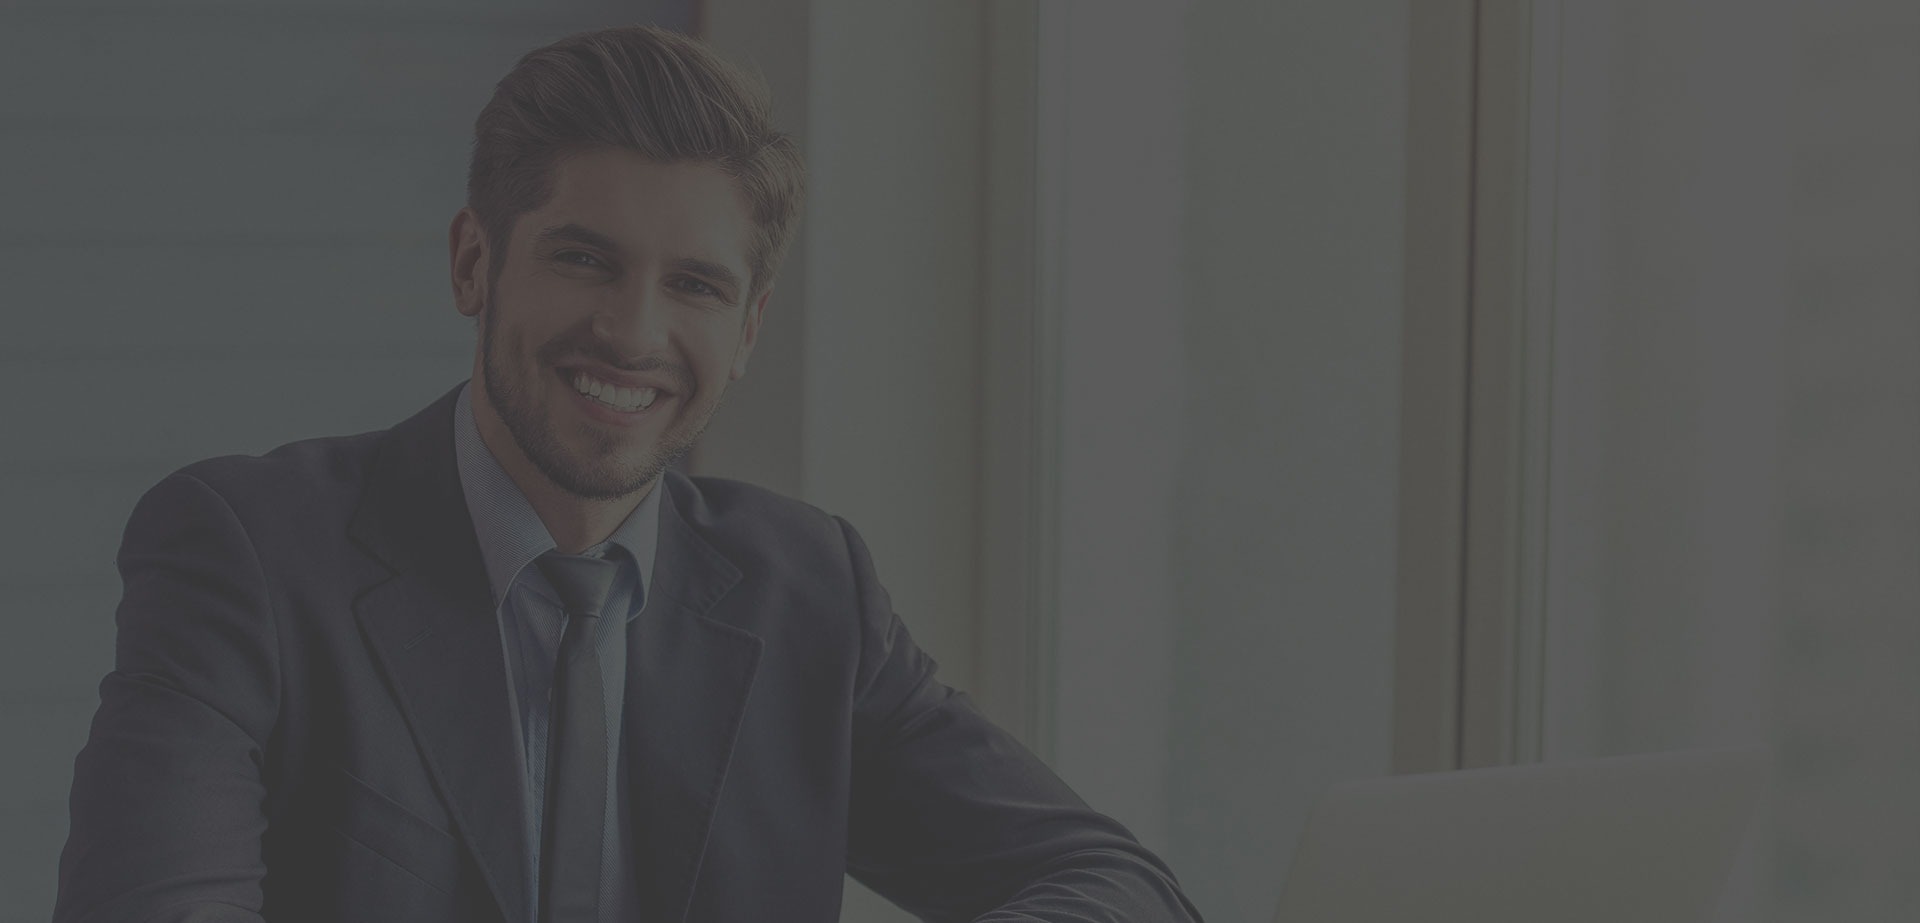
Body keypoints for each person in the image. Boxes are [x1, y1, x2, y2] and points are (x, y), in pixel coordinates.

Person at [52, 24, 1202, 923]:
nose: (632, 330)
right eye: (584, 259)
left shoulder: (812, 592)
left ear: (748, 329)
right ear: (472, 262)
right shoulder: (246, 551)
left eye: (695, 286)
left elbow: (1116, 882)